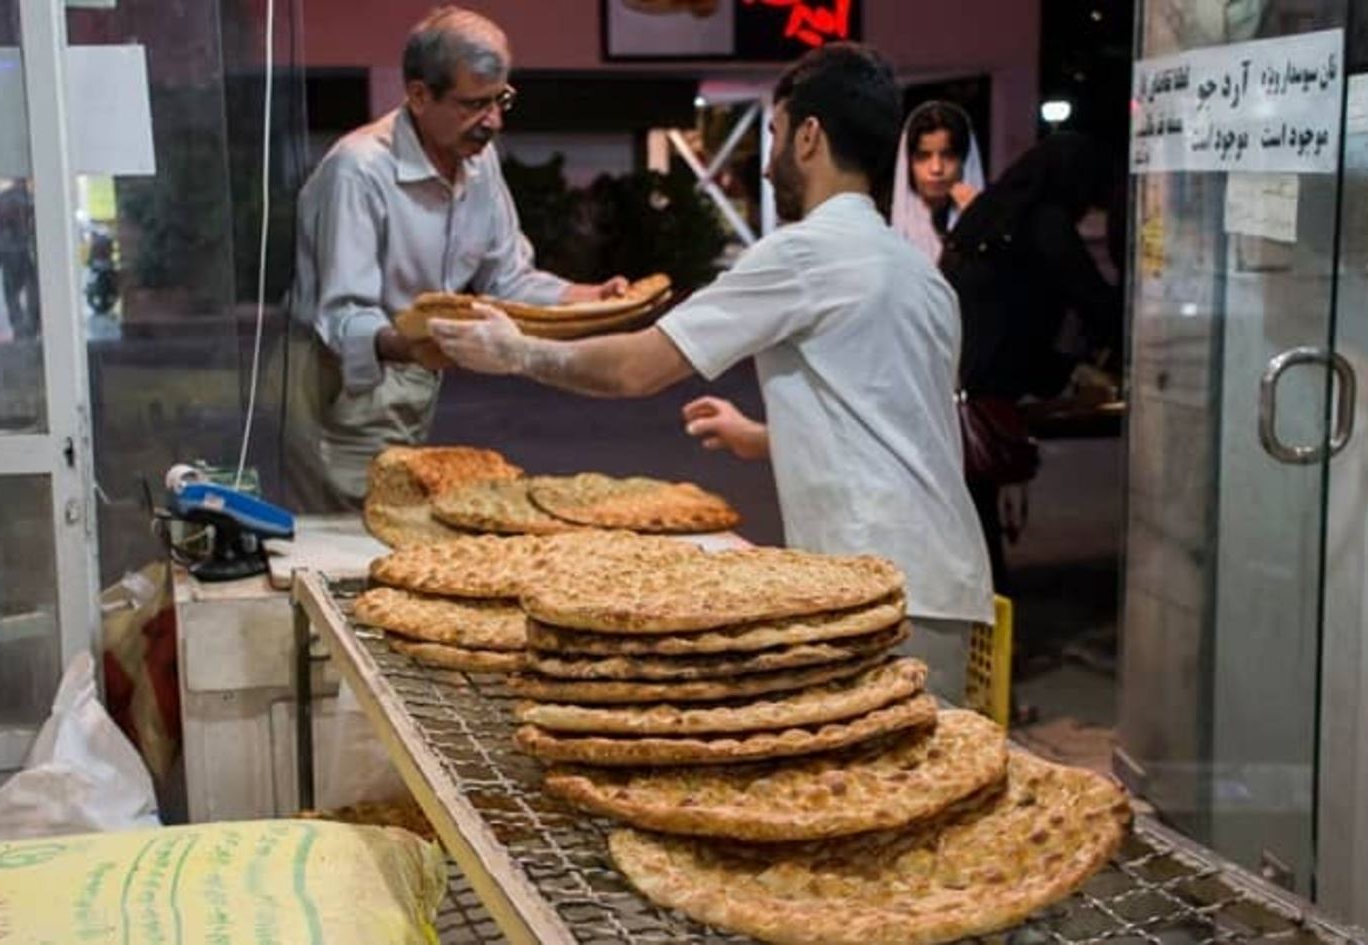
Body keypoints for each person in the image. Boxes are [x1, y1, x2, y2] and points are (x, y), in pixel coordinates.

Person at [429, 42, 993, 700]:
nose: (770, 158)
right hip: (947, 583)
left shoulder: (806, 253)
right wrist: (762, 436)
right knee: (927, 782)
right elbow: (897, 419)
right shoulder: (919, 274)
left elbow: (638, 368)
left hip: (874, 585)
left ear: (809, 137)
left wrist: (518, 350)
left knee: (867, 786)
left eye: (775, 135)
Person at [284, 5, 626, 510]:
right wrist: (417, 343)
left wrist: (588, 298)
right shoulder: (359, 171)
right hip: (343, 385)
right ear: (420, 96)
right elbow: (342, 316)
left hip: (415, 370)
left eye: (501, 100)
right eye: (474, 105)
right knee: (354, 539)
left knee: (400, 527)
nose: (493, 121)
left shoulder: (478, 160)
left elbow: (506, 276)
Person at [939, 131, 1122, 589]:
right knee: (979, 529)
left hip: (949, 380)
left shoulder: (984, 213)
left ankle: (980, 623)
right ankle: (988, 627)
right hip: (987, 389)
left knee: (970, 524)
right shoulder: (1046, 222)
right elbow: (1094, 301)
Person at [890, 101, 985, 264]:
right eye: (923, 156)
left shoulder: (993, 224)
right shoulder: (885, 226)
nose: (936, 168)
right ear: (907, 163)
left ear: (965, 160)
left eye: (948, 155)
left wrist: (977, 222)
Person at [0, 179, 39, 338]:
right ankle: (33, 323)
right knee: (32, 287)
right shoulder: (31, 198)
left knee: (11, 291)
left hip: (8, 250)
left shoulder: (1, 198)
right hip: (26, 249)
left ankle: (18, 324)